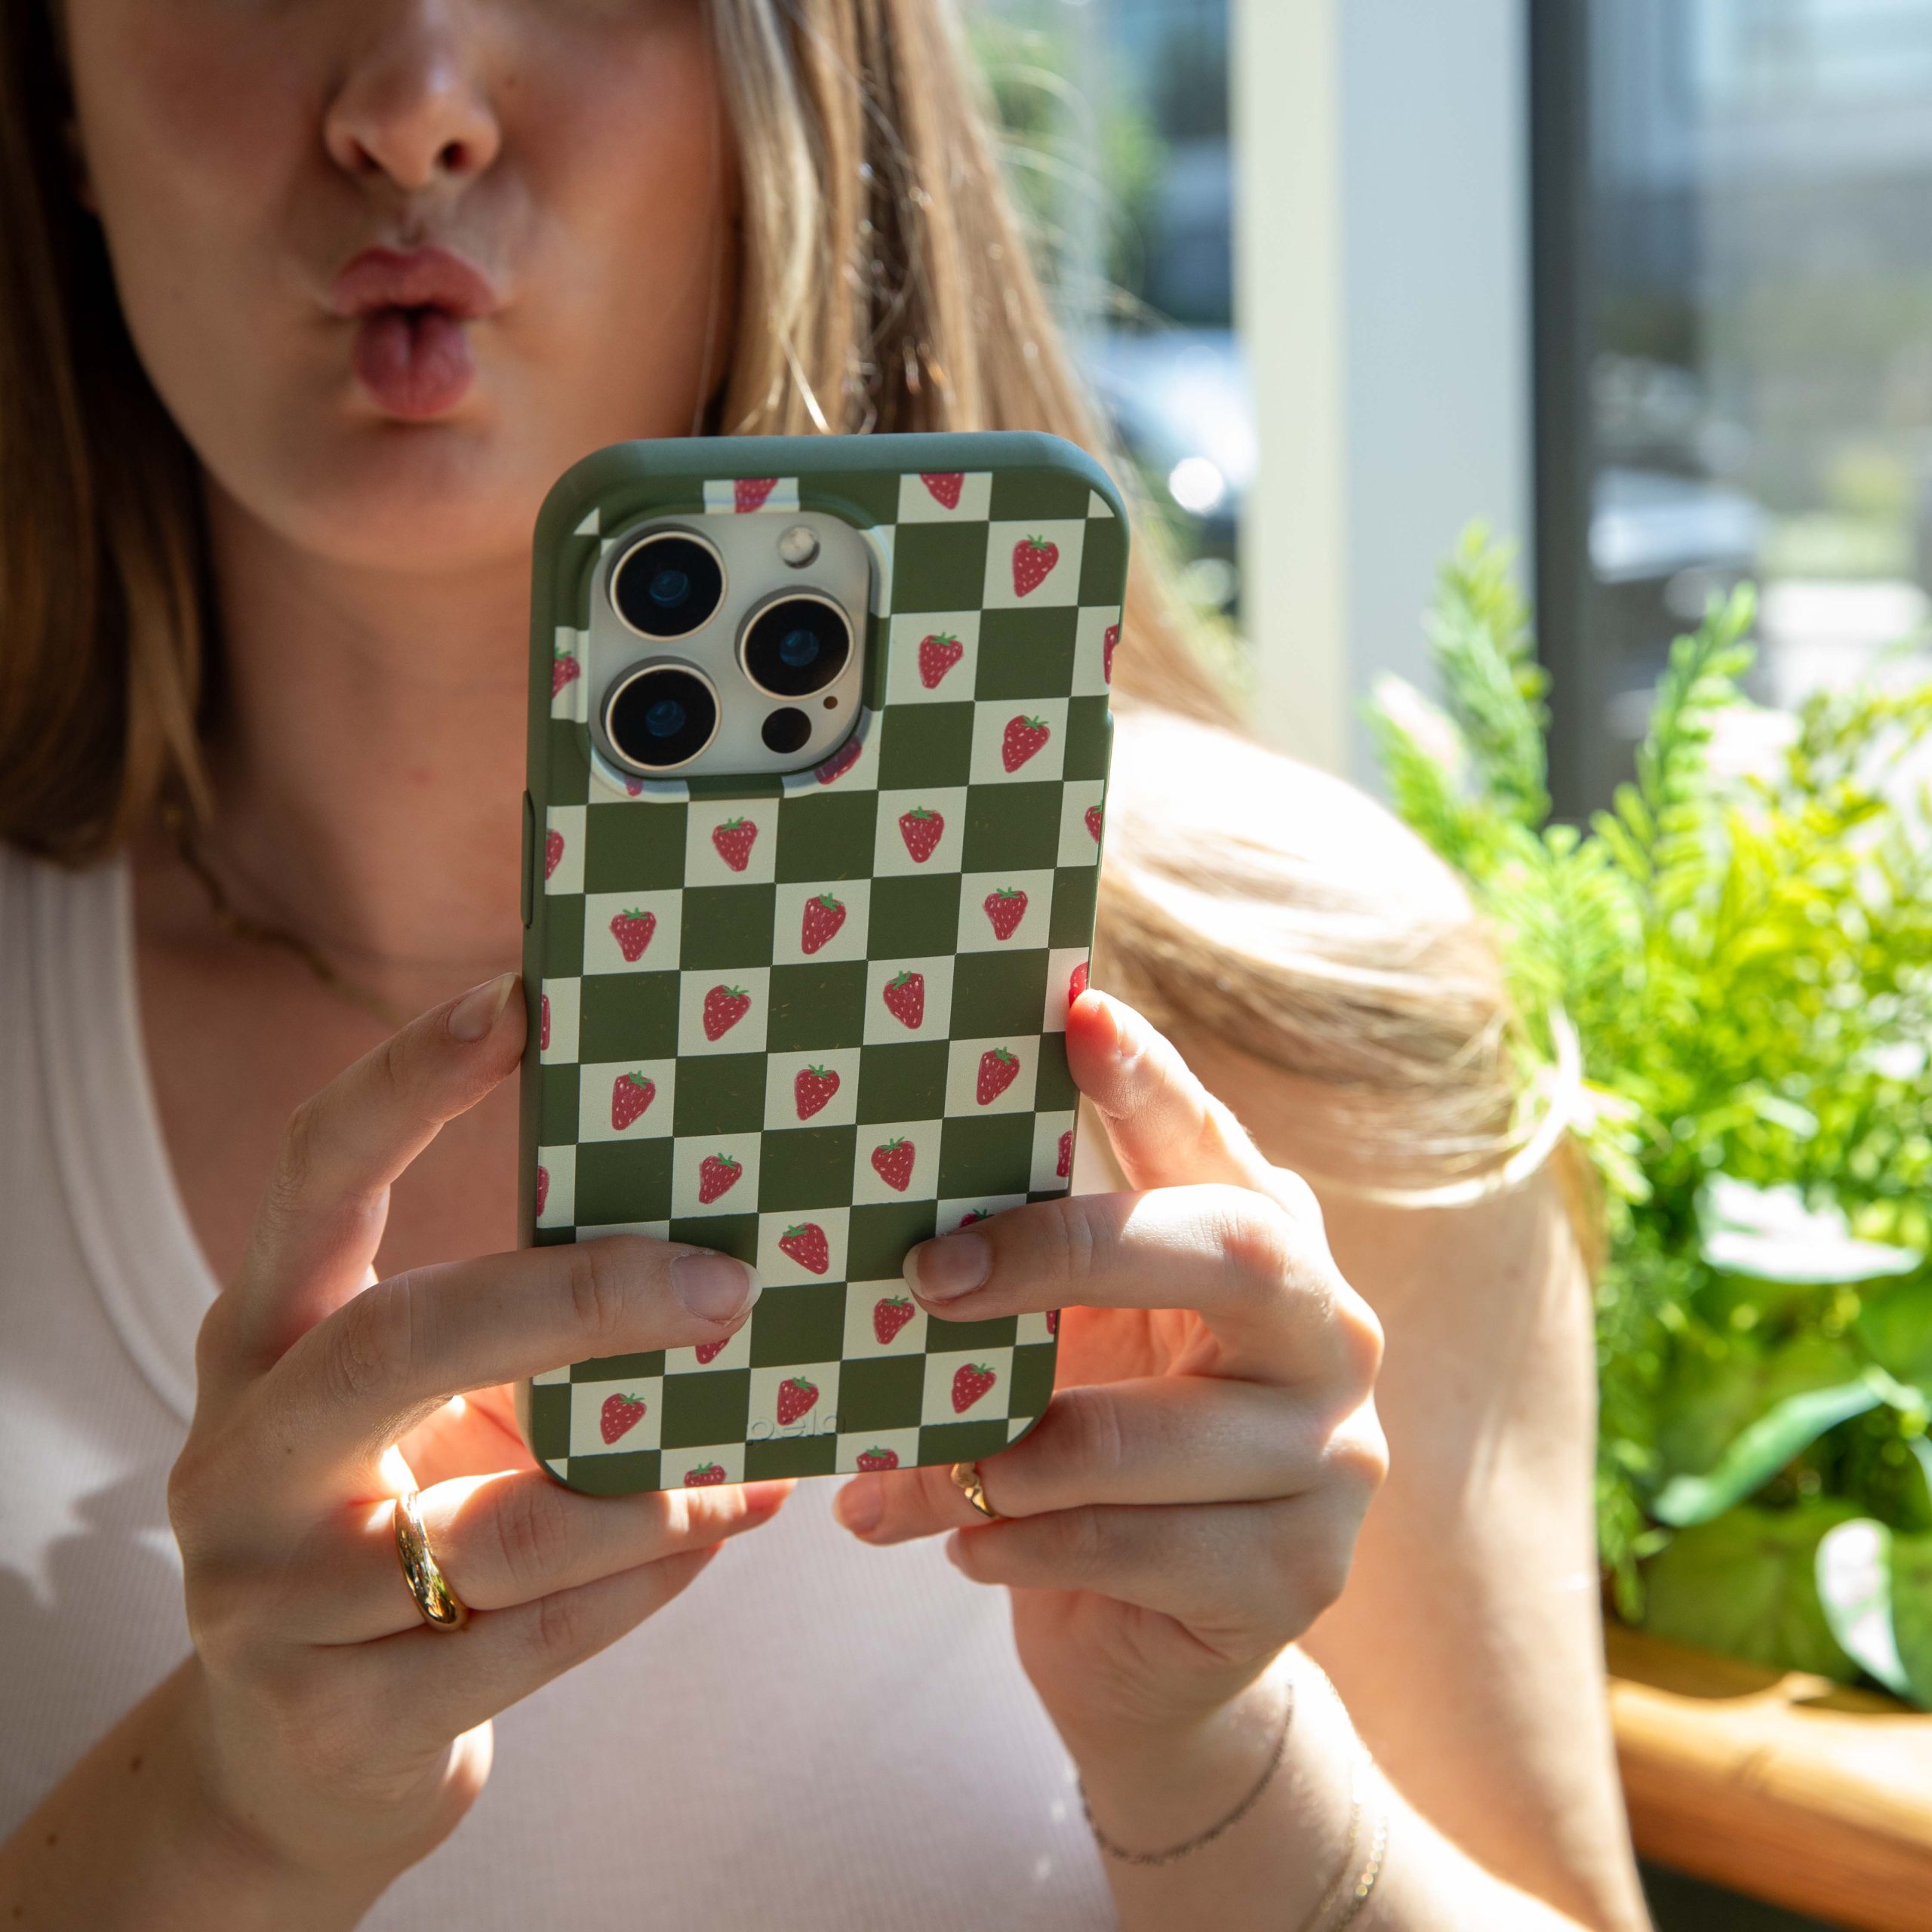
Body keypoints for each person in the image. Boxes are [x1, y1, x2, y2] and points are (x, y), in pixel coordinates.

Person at [0, 3, 1650, 1928]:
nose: (411, 106)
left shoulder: (1308, 1000)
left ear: (803, 60)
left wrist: (1217, 1747)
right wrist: (237, 1814)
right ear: (58, 84)